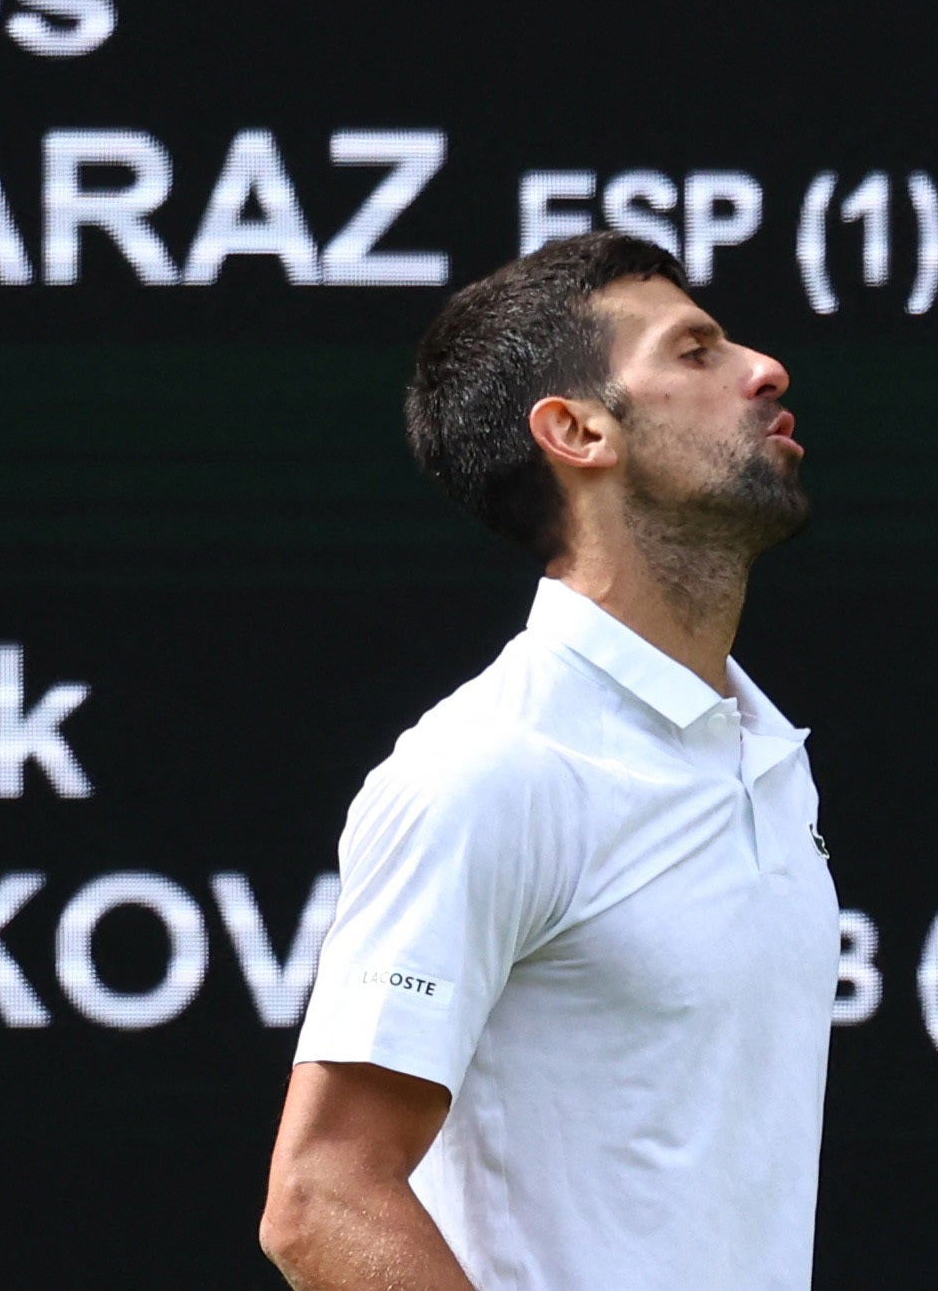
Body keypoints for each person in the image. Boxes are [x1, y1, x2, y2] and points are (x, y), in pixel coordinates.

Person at [259, 230, 840, 1290]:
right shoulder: (493, 765)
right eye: (695, 351)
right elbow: (323, 1197)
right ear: (576, 430)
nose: (765, 369)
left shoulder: (764, 755)